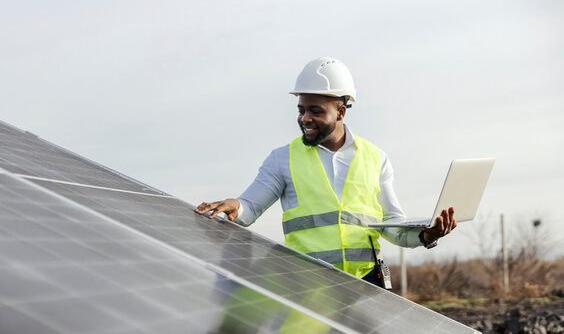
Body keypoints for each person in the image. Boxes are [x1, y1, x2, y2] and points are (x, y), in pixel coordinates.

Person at [194, 56, 456, 288]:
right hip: (306, 288)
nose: (304, 118)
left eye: (315, 111)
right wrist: (236, 206)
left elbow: (394, 228)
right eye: (302, 110)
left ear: (341, 112)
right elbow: (250, 206)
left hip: (366, 287)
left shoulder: (377, 159)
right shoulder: (282, 159)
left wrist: (427, 236)